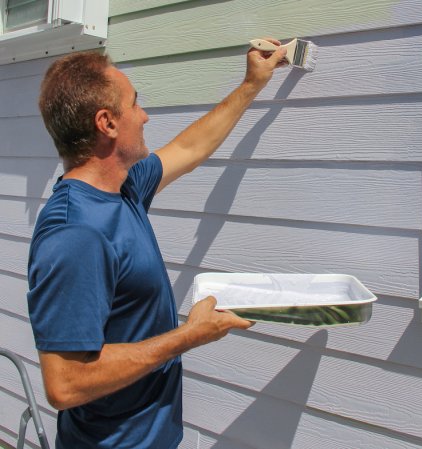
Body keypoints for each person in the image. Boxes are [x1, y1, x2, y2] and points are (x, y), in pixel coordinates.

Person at [26, 39, 287, 448]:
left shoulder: (123, 189)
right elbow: (65, 384)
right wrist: (190, 335)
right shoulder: (76, 232)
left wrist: (252, 84)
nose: (144, 116)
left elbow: (189, 147)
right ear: (107, 123)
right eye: (134, 104)